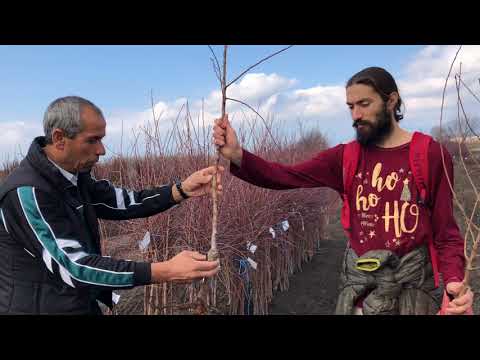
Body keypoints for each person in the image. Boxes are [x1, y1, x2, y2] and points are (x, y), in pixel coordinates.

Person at [213, 66, 474, 315]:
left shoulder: (430, 154)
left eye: (364, 104)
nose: (355, 115)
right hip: (360, 296)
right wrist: (237, 155)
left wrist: (453, 280)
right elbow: (285, 176)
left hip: (414, 295)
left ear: (391, 100)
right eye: (351, 106)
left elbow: (446, 232)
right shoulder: (345, 157)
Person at [0, 96, 222, 314]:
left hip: (78, 304)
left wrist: (181, 190)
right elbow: (74, 266)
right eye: (92, 140)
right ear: (59, 138)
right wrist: (165, 271)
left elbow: (124, 202)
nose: (102, 150)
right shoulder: (27, 193)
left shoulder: (74, 177)